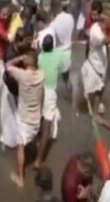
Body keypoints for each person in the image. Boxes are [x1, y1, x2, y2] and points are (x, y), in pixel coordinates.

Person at [6, 49, 44, 188]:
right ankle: (38, 161)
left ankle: (20, 178)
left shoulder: (22, 75)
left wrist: (19, 58)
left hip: (24, 119)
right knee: (35, 139)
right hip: (36, 118)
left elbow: (7, 65)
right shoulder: (41, 75)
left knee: (20, 147)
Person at [35, 34, 69, 169]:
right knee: (47, 127)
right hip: (49, 92)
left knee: (39, 120)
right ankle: (39, 160)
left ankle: (36, 145)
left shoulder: (39, 58)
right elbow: (65, 71)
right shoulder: (59, 56)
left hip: (38, 89)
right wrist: (67, 84)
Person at [81, 10, 110, 115]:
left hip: (101, 61)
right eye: (107, 23)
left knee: (99, 85)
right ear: (102, 23)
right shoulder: (95, 33)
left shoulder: (99, 28)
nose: (108, 25)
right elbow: (109, 40)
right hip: (96, 64)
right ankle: (93, 110)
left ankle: (92, 101)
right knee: (99, 87)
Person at [0, 26, 33, 150]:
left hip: (19, 89)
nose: (28, 44)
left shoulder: (22, 49)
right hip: (11, 89)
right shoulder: (10, 54)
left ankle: (18, 141)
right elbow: (10, 75)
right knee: (9, 118)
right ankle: (10, 142)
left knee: (18, 118)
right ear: (19, 41)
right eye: (26, 41)